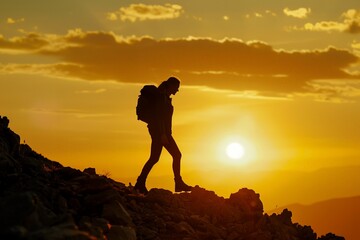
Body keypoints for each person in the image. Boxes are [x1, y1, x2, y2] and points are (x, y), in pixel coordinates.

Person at [134, 77, 192, 194]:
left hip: (160, 132)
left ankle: (140, 183)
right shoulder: (161, 97)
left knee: (155, 158)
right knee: (176, 155)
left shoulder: (163, 97)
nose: (177, 91)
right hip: (160, 132)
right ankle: (178, 183)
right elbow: (159, 117)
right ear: (170, 85)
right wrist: (163, 134)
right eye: (176, 88)